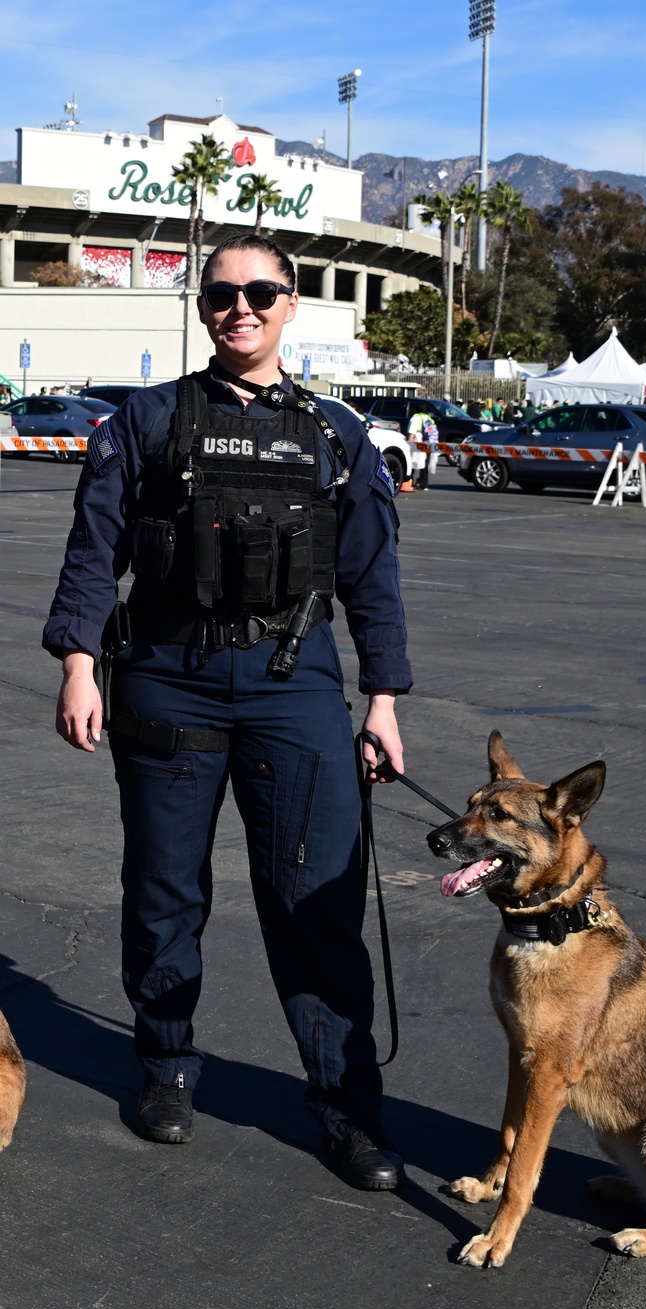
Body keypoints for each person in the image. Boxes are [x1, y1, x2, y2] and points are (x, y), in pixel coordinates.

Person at [42, 233, 412, 1191]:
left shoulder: (338, 434)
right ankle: (166, 1062)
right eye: (219, 296)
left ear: (291, 305)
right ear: (201, 309)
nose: (238, 308)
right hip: (170, 679)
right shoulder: (149, 419)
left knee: (316, 903)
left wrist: (383, 699)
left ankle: (346, 1106)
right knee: (166, 891)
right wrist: (81, 663)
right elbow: (94, 550)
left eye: (259, 293)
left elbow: (373, 574)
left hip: (297, 688)